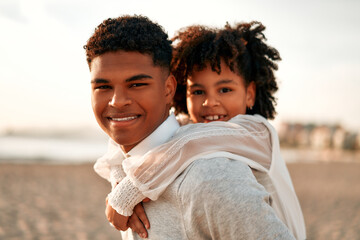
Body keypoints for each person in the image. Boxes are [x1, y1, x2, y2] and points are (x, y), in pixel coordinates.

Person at [86, 15, 296, 239]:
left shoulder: (255, 133)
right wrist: (119, 177)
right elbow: (118, 149)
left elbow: (191, 144)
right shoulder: (189, 132)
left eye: (225, 90)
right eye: (197, 92)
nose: (209, 102)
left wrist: (130, 189)